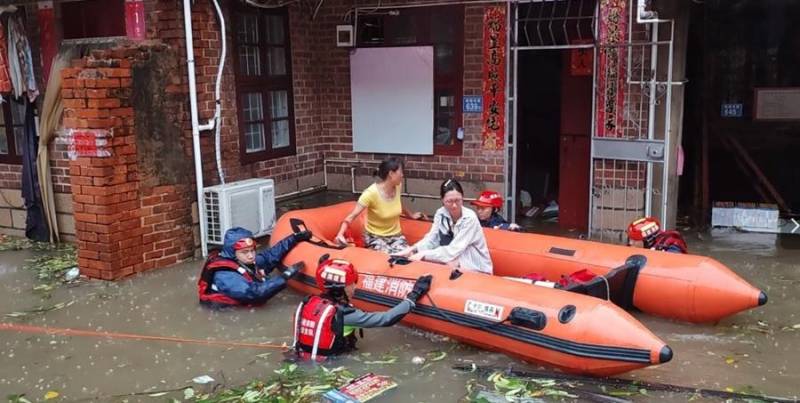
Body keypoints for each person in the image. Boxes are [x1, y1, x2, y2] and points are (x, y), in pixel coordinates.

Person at [293, 258, 432, 359]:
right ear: (340, 289)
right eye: (351, 284)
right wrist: (413, 296)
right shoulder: (344, 314)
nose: (355, 287)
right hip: (332, 363)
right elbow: (385, 319)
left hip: (303, 356)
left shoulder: (309, 301)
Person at [197, 227, 312, 308]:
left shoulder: (245, 261)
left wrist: (293, 238)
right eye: (245, 252)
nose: (251, 255)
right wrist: (285, 277)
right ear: (233, 253)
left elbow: (269, 256)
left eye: (252, 250)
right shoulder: (225, 275)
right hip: (227, 313)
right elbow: (255, 294)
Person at [398, 179, 493, 274]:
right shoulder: (440, 213)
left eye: (458, 200)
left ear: (462, 198)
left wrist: (424, 254)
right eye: (449, 201)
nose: (454, 205)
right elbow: (432, 239)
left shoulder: (469, 218)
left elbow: (453, 250)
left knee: (448, 264)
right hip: (455, 257)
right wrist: (414, 249)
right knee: (432, 261)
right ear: (442, 200)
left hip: (475, 264)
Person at [335, 157, 423, 254]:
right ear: (391, 174)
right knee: (390, 257)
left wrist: (411, 215)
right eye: (400, 172)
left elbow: (398, 203)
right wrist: (340, 234)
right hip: (375, 237)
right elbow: (351, 216)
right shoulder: (370, 193)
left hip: (395, 236)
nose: (402, 175)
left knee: (409, 255)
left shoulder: (398, 186)